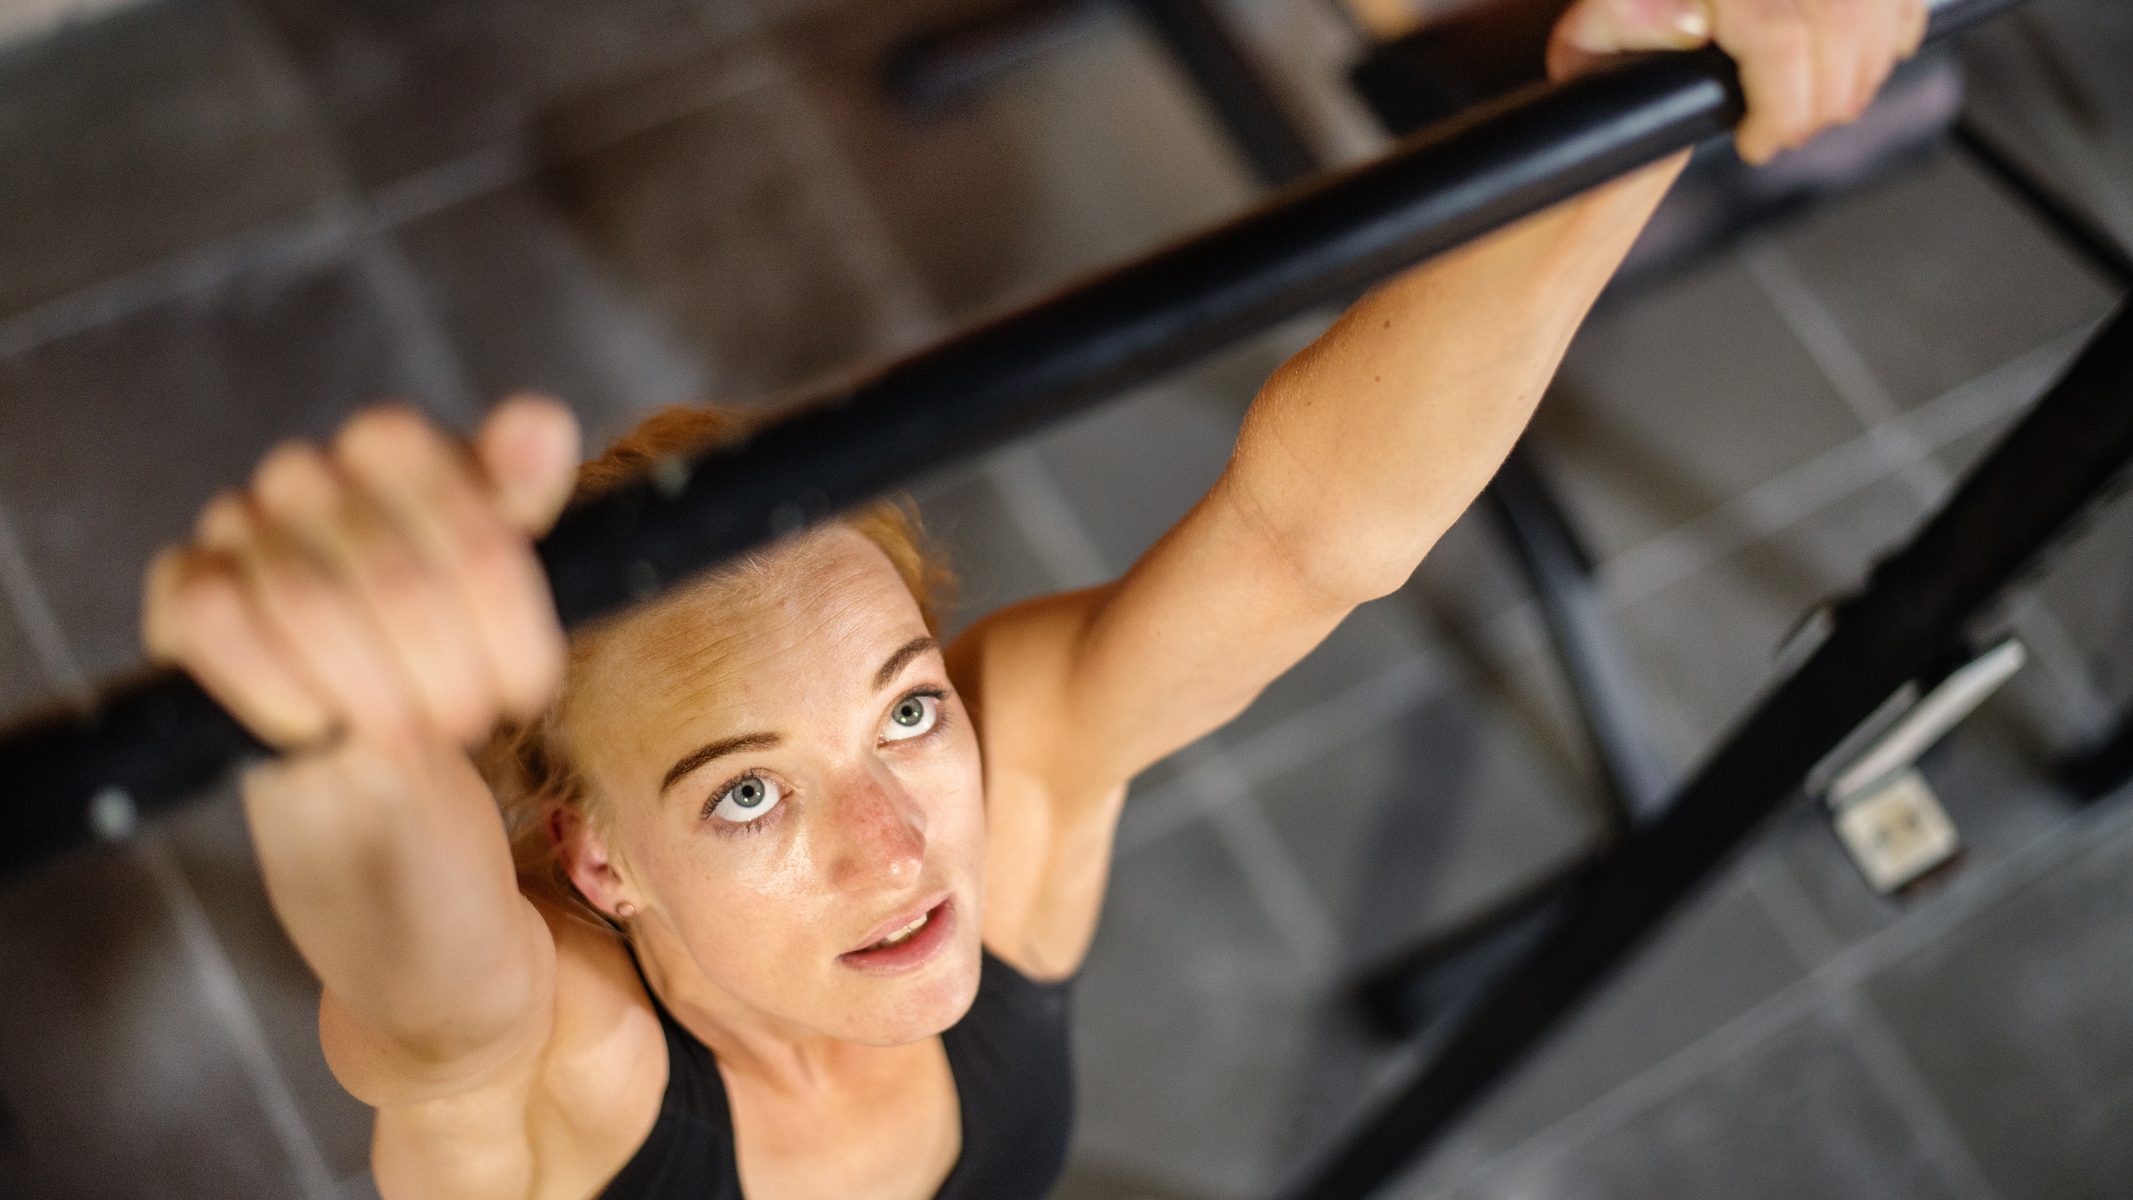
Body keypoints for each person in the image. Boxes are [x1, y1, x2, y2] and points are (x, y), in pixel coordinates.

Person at [141, 0, 1928, 1196]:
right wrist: (333, 741)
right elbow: (429, 999)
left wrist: (1646, 98)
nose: (897, 842)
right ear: (594, 858)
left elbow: (1311, 535)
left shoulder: (1015, 803)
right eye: (743, 791)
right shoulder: (573, 1083)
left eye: (906, 709)